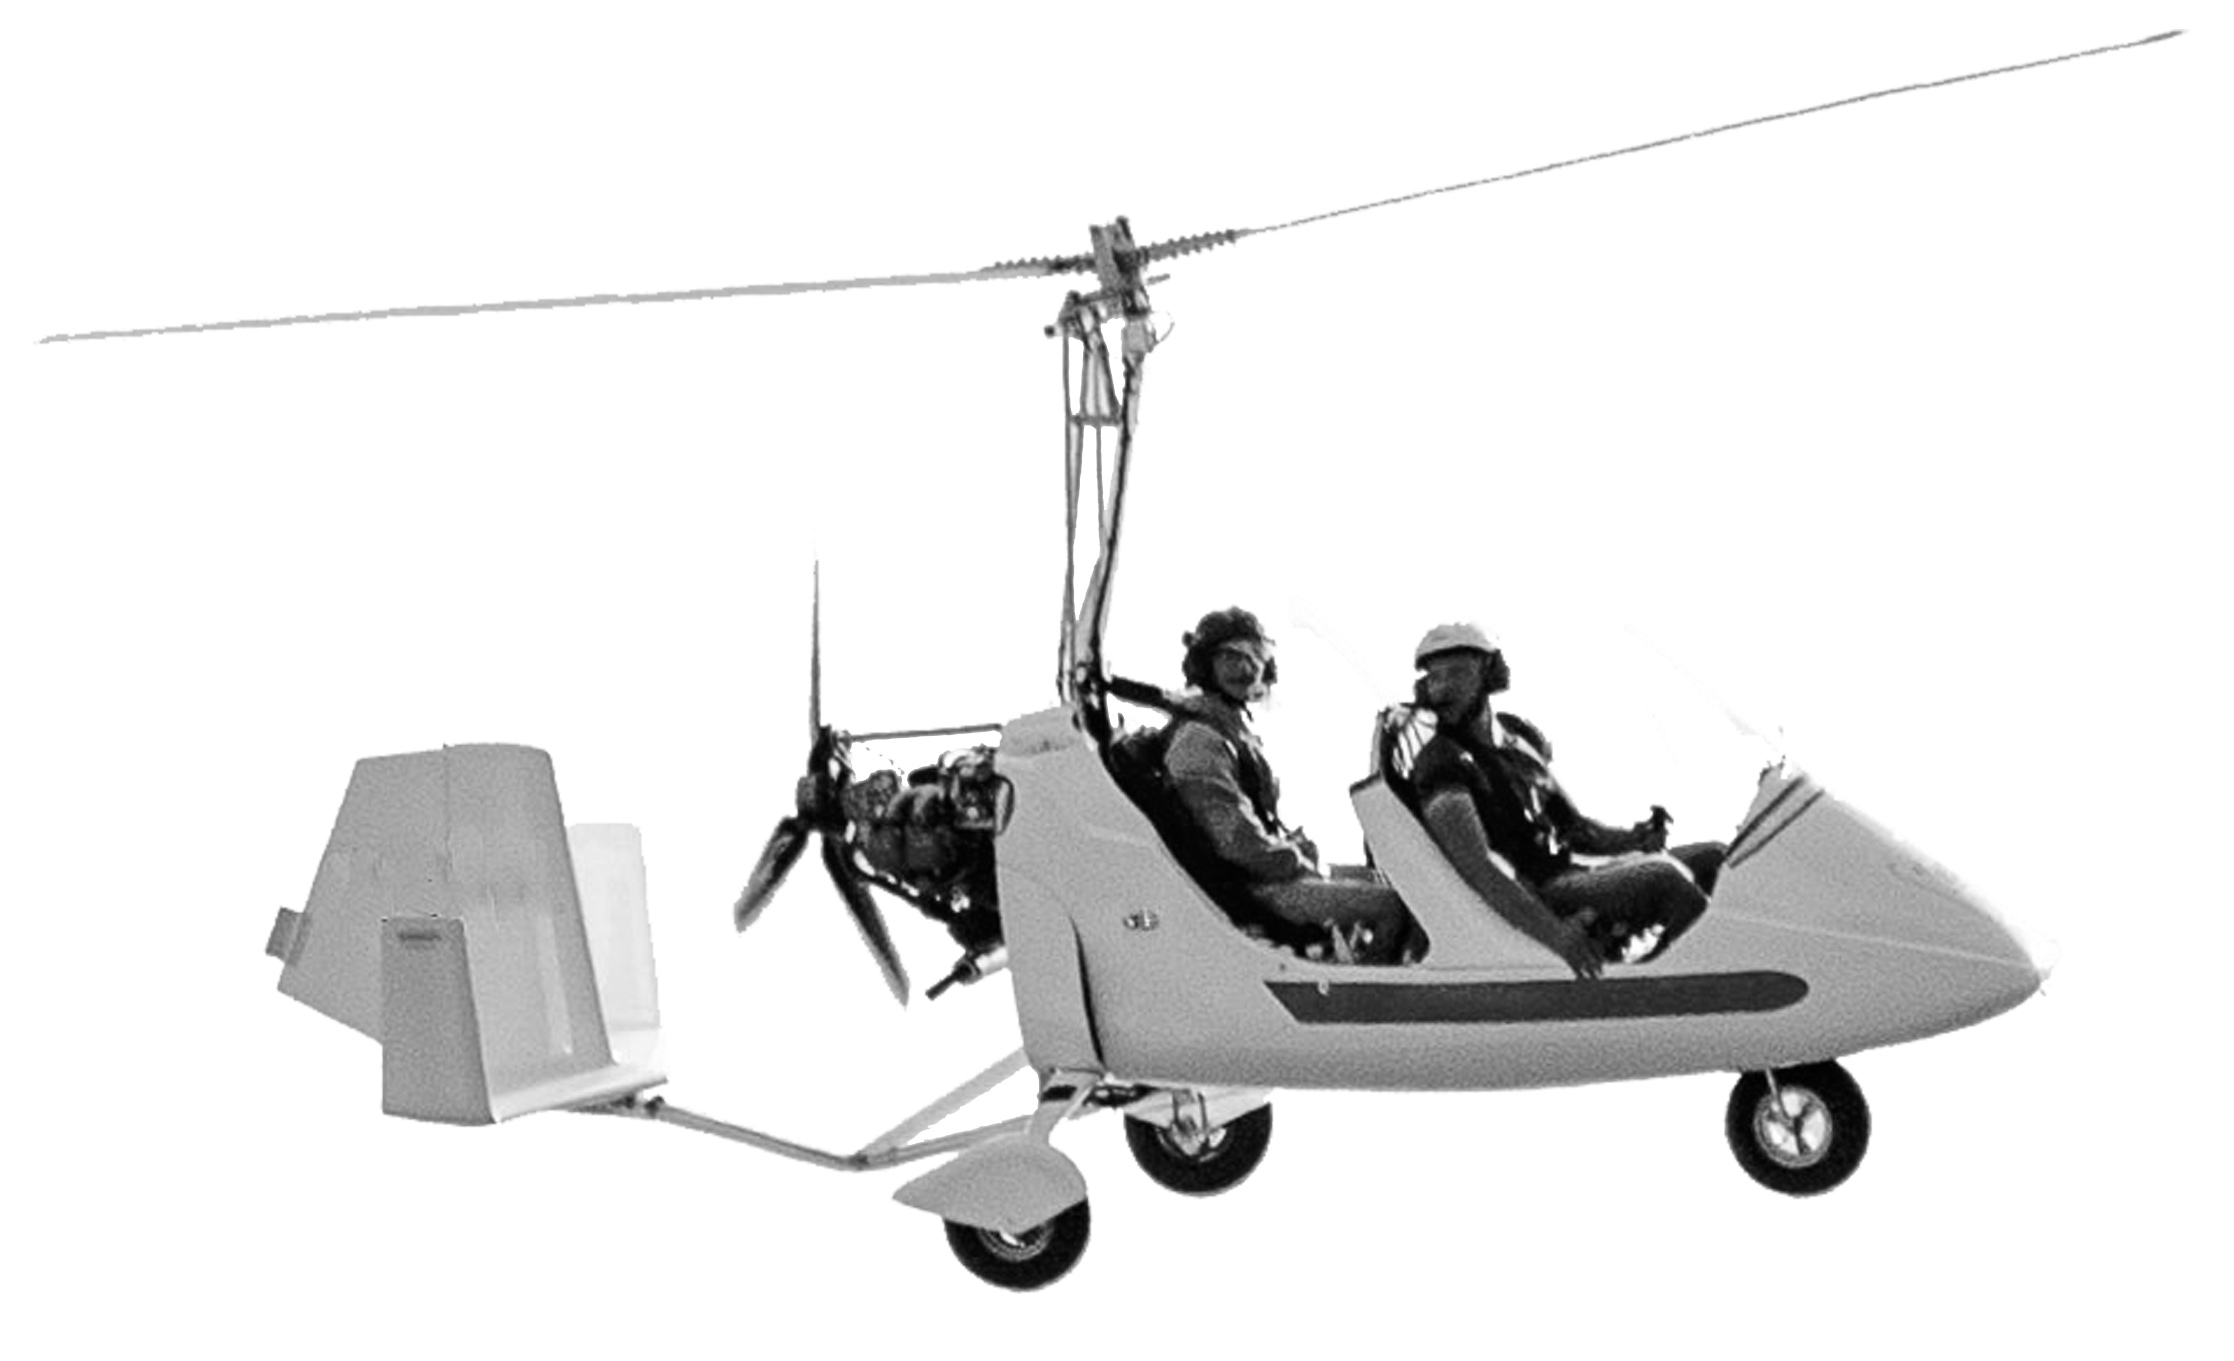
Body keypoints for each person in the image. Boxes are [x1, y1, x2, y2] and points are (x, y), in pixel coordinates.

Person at [1407, 622, 1720, 978]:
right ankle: (1680, 983)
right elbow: (1479, 867)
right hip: (1541, 892)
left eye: (1457, 674)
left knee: (1713, 859)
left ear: (1489, 675)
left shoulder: (1518, 741)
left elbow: (1576, 828)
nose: (1443, 689)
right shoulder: (1442, 763)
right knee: (1665, 880)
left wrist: (1635, 840)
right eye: (1435, 678)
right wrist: (1554, 934)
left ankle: (1690, 971)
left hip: (1571, 871)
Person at [1159, 607, 1415, 964]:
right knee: (1394, 906)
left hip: (1262, 874)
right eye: (1230, 656)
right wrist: (1294, 860)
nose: (1244, 668)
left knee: (1389, 882)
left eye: (1254, 657)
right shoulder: (1200, 737)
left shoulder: (1230, 728)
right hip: (1250, 887)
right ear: (1205, 663)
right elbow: (1233, 838)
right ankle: (1365, 992)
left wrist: (1295, 850)